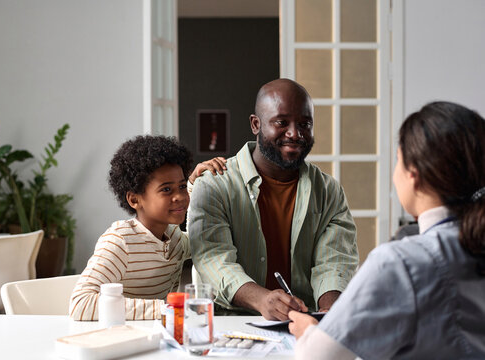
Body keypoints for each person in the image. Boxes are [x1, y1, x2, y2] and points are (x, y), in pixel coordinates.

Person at [289, 101, 485, 359]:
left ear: (413, 173)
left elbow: (317, 357)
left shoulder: (401, 263)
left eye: (398, 161)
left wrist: (310, 332)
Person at [187, 79, 359, 320]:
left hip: (304, 320)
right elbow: (213, 259)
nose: (295, 134)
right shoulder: (214, 185)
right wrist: (262, 300)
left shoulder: (329, 191)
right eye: (281, 122)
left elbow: (334, 261)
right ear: (255, 124)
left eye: (304, 124)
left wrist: (328, 312)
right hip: (235, 321)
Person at [69, 135, 224, 321]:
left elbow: (199, 239)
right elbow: (80, 304)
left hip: (156, 337)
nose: (180, 197)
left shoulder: (174, 239)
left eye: (181, 186)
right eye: (166, 189)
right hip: (120, 338)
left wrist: (192, 182)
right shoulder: (120, 243)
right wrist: (167, 307)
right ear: (134, 199)